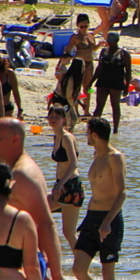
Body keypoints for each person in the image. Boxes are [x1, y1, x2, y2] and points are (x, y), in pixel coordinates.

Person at [0, 119, 72, 280]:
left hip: (21, 264)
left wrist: (58, 276)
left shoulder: (23, 175)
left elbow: (46, 224)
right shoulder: (12, 169)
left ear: (15, 140)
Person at [72, 117, 125, 280]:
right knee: (78, 268)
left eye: (87, 132)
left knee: (107, 272)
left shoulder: (115, 157)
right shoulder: (96, 155)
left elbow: (122, 193)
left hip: (109, 220)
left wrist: (107, 222)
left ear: (94, 134)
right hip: (91, 217)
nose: (86, 136)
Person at [46, 105, 84, 247]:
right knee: (36, 211)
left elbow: (74, 163)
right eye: (51, 116)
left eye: (57, 117)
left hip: (71, 186)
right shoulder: (56, 137)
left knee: (69, 232)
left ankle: (83, 260)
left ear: (64, 119)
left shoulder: (67, 137)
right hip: (61, 184)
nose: (53, 119)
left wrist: (60, 185)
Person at [92, 32, 131, 134]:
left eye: (112, 42)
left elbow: (128, 71)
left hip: (116, 83)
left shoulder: (123, 53)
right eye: (108, 41)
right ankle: (93, 128)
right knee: (99, 106)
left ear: (117, 41)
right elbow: (99, 68)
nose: (110, 44)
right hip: (102, 81)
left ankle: (115, 130)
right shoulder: (104, 51)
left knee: (115, 106)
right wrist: (91, 81)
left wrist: (126, 86)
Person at [65, 14, 97, 116]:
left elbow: (93, 49)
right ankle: (76, 111)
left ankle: (86, 110)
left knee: (88, 87)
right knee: (77, 87)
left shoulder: (91, 35)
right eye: (81, 26)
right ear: (78, 26)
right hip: (79, 64)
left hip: (89, 63)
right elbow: (68, 49)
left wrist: (100, 45)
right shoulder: (75, 37)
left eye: (85, 26)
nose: (83, 28)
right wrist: (65, 59)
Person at [51, 58, 84, 131]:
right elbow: (68, 95)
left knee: (73, 119)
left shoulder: (73, 76)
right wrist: (72, 105)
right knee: (68, 120)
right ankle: (62, 137)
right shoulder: (70, 78)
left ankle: (69, 135)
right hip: (60, 99)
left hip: (66, 99)